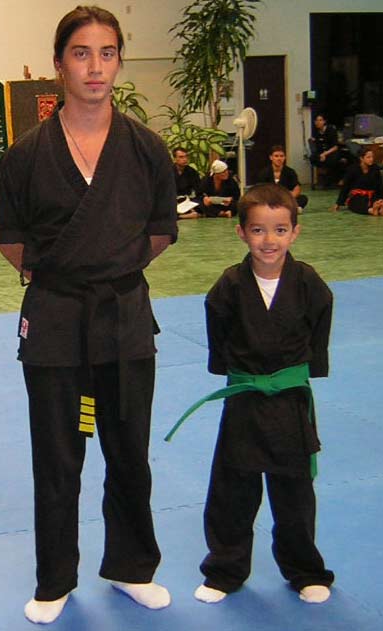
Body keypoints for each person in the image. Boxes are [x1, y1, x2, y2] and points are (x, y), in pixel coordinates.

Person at [0, 5, 177, 625]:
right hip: (55, 320)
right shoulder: (26, 155)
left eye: (107, 53)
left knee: (129, 451)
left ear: (119, 61)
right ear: (58, 65)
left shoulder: (146, 148)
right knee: (57, 456)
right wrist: (68, 274)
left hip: (123, 316)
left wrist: (110, 268)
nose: (95, 67)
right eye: (81, 53)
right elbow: (10, 239)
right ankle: (55, 579)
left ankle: (132, 567)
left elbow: (160, 231)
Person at [171, 183, 335, 605]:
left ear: (295, 232)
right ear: (241, 232)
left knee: (295, 491)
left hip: (290, 400)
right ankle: (224, 570)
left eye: (280, 230)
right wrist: (233, 370)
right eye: (258, 230)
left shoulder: (309, 283)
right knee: (233, 488)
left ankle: (305, 569)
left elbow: (318, 333)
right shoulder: (229, 286)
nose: (269, 240)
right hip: (245, 397)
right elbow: (219, 338)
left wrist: (308, 369)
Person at [331, 148, 383, 216]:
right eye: (368, 157)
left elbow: (379, 185)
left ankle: (379, 209)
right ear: (361, 158)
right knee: (357, 204)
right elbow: (346, 186)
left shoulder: (375, 168)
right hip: (357, 196)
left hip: (371, 195)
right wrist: (338, 203)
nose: (371, 159)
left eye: (372, 157)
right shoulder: (353, 169)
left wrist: (381, 198)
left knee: (376, 201)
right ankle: (371, 210)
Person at [256, 145, 308, 211]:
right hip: (270, 199)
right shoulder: (264, 173)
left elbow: (296, 188)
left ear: (284, 157)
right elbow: (260, 191)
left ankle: (282, 208)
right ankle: (289, 208)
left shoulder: (290, 172)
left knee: (303, 198)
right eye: (276, 156)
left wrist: (290, 196)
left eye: (281, 156)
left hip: (285, 198)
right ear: (271, 157)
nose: (279, 158)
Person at [308, 114, 342, 186]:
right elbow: (318, 146)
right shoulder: (316, 132)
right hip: (321, 153)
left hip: (331, 152)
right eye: (316, 120)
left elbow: (335, 147)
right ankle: (322, 178)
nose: (318, 122)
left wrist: (324, 154)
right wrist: (321, 154)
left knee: (332, 160)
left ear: (324, 121)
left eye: (320, 120)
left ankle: (331, 180)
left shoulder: (331, 130)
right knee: (312, 158)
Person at [172, 147, 202, 219]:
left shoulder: (192, 172)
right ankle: (183, 216)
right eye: (181, 157)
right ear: (175, 159)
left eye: (186, 156)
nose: (185, 159)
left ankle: (188, 213)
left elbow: (198, 190)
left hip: (187, 200)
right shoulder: (168, 171)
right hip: (172, 200)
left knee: (203, 203)